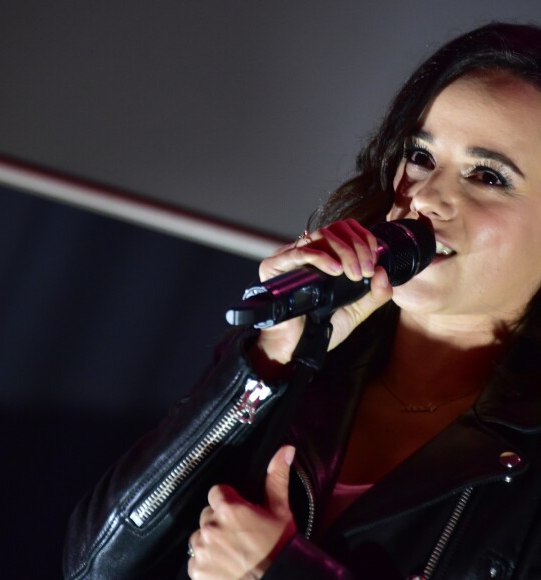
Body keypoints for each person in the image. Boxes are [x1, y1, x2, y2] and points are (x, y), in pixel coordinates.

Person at [63, 21, 541, 579]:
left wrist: (284, 569)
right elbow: (94, 567)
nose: (427, 197)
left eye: (487, 176)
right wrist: (268, 363)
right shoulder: (301, 364)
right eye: (419, 156)